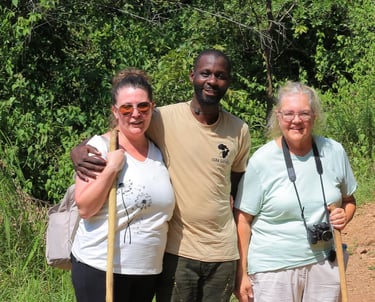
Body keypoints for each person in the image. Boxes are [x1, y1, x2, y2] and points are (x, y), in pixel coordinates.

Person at [71, 49, 251, 302]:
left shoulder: (237, 130)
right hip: (138, 260)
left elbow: (236, 192)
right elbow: (116, 134)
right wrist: (79, 151)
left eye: (220, 75)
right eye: (205, 73)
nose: (137, 113)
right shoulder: (161, 120)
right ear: (192, 76)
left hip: (167, 265)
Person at [234, 81, 357, 302]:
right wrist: (241, 273)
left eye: (304, 113)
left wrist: (343, 216)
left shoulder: (334, 151)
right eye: (289, 114)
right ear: (278, 116)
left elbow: (349, 200)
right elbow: (243, 219)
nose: (296, 120)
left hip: (325, 263)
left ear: (315, 116)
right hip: (273, 269)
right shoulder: (262, 161)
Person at [71, 68, 175, 302]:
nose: (135, 114)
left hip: (146, 273)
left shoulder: (158, 152)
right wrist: (110, 169)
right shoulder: (99, 148)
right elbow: (85, 208)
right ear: (115, 111)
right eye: (127, 108)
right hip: (101, 268)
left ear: (152, 108)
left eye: (143, 107)